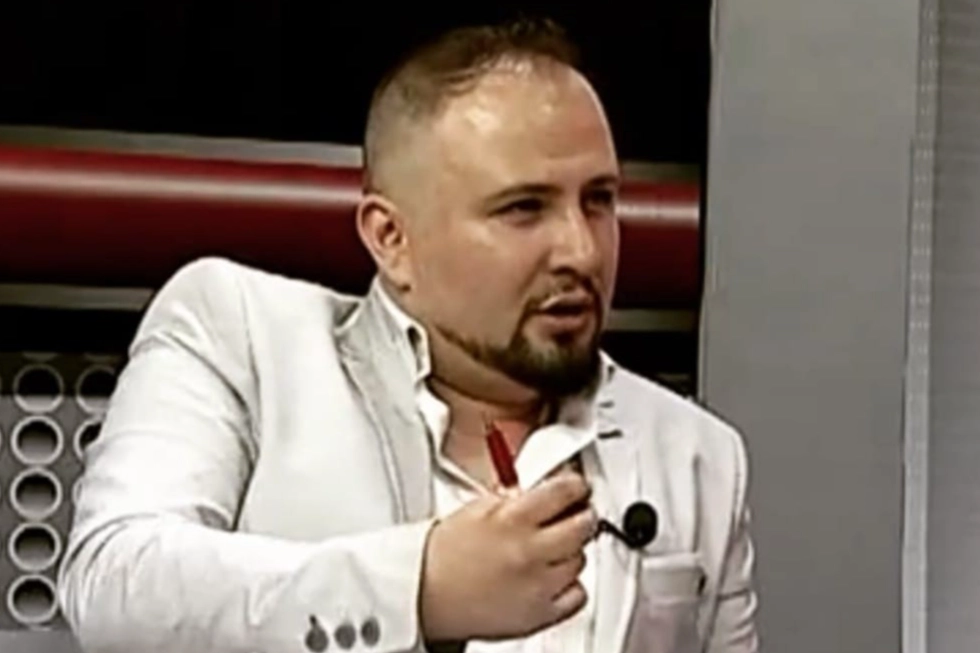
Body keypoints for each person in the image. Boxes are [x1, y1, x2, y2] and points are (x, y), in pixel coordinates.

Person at [58, 17, 758, 653]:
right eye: (523, 208)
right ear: (392, 239)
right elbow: (115, 585)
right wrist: (419, 588)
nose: (581, 249)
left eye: (599, 200)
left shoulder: (699, 455)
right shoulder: (242, 334)